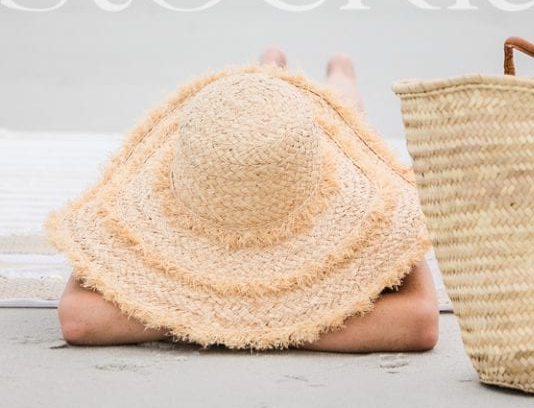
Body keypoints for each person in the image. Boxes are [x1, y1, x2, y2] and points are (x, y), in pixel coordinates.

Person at [49, 47, 439, 353]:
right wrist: (283, 321)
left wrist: (214, 322)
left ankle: (320, 72)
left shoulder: (289, 144)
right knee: (261, 118)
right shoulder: (212, 142)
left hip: (295, 166)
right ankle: (275, 72)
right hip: (230, 166)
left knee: (345, 115)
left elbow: (422, 324)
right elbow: (78, 320)